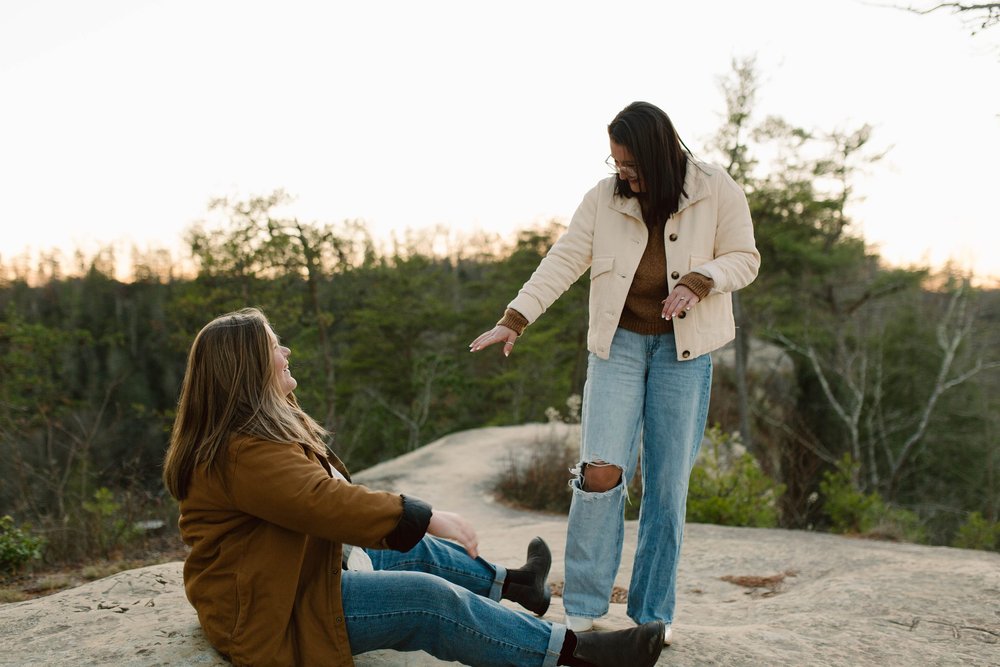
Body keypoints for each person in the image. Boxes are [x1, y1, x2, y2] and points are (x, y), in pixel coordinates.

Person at [162, 307, 665, 667]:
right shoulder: (240, 452)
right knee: (427, 600)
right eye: (275, 346)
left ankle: (515, 585)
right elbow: (324, 502)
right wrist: (425, 513)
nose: (286, 350)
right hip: (271, 609)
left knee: (417, 552)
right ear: (247, 368)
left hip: (291, 575)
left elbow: (323, 502)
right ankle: (574, 655)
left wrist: (413, 525)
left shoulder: (254, 432)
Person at [471, 101, 760, 645]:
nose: (622, 174)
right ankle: (582, 609)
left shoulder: (716, 187)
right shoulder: (603, 200)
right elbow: (562, 260)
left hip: (685, 351)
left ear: (659, 154)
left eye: (630, 165)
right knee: (600, 472)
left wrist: (700, 279)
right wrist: (515, 318)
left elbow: (746, 257)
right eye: (616, 164)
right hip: (618, 347)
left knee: (667, 487)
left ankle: (651, 617)